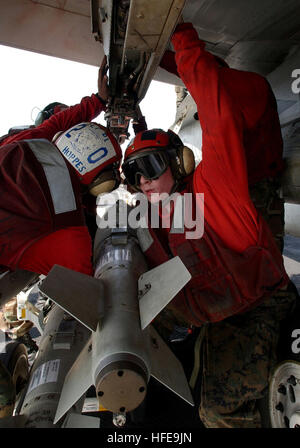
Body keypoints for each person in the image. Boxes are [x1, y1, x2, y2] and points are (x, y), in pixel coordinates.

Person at [121, 22, 297, 428]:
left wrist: (180, 40)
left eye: (149, 168)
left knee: (217, 414)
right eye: (134, 175)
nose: (143, 181)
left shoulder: (216, 187)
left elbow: (217, 108)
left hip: (252, 306)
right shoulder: (156, 208)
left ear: (180, 164)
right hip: (206, 308)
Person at [160, 33, 285, 253]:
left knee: (255, 256)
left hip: (254, 188)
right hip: (263, 184)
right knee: (266, 256)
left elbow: (201, 78)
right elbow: (194, 74)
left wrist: (178, 38)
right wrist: (159, 57)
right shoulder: (246, 85)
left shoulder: (232, 89)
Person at [0, 56, 122, 279]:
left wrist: (97, 100)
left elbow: (55, 124)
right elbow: (84, 288)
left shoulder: (21, 143)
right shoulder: (71, 230)